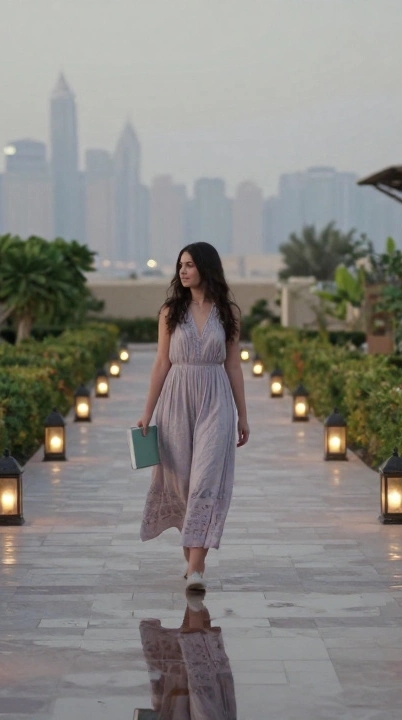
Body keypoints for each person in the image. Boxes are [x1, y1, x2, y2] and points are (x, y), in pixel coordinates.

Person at [137, 242, 250, 593]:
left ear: (205, 267)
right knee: (182, 483)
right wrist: (147, 413)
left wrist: (242, 415)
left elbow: (234, 364)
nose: (183, 271)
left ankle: (197, 567)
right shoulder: (170, 311)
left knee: (205, 481)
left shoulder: (228, 313)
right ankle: (192, 563)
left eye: (189, 265)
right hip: (176, 399)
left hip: (216, 399)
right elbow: (161, 362)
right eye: (180, 266)